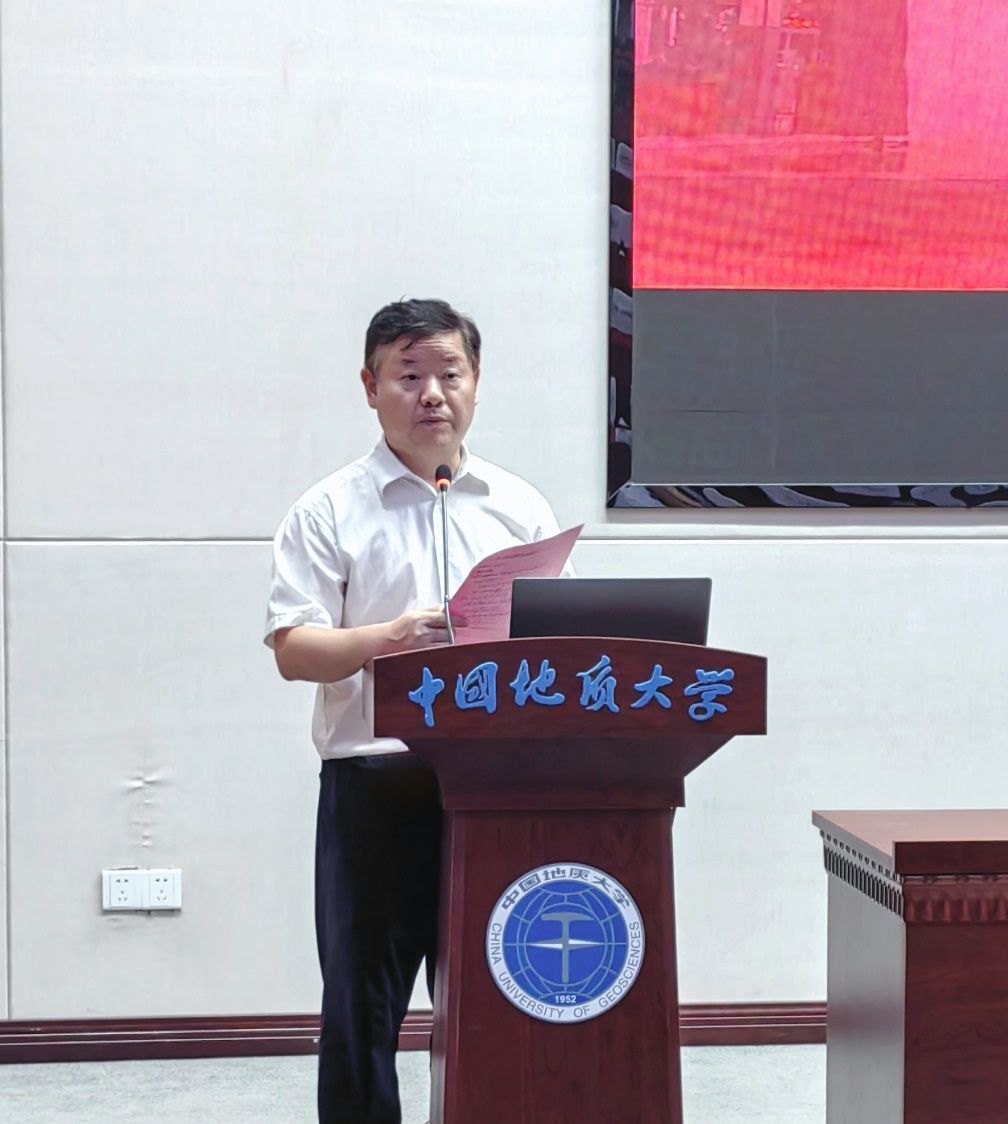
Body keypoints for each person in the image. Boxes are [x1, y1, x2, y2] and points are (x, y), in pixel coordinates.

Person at [263, 298, 566, 1124]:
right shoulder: (329, 509)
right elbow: (293, 648)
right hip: (378, 784)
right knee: (363, 1007)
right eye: (408, 376)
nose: (432, 394)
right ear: (370, 388)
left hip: (497, 783)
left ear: (476, 382)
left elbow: (556, 640)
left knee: (503, 992)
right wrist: (387, 638)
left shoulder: (519, 507)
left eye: (449, 374)